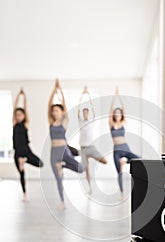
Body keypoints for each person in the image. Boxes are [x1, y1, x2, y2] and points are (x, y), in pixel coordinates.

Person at [48, 79, 83, 208]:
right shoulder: (51, 122)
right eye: (54, 110)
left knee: (81, 168)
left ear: (61, 112)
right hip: (54, 152)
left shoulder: (64, 121)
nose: (55, 112)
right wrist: (54, 91)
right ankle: (62, 201)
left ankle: (63, 166)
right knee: (58, 178)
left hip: (64, 150)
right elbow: (49, 105)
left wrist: (60, 91)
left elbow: (65, 107)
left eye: (57, 110)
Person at [13, 88, 43, 201]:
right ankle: (25, 194)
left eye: (20, 114)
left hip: (26, 150)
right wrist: (17, 97)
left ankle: (24, 160)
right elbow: (14, 108)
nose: (18, 116)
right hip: (17, 151)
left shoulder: (26, 124)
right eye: (16, 115)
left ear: (24, 116)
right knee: (21, 174)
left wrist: (24, 96)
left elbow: (25, 109)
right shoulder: (14, 123)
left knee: (40, 163)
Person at [109, 88, 139, 195]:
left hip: (125, 148)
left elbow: (124, 109)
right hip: (117, 150)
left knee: (138, 158)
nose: (117, 114)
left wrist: (119, 96)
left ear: (121, 115)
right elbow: (110, 110)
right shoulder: (111, 124)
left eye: (119, 113)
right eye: (115, 113)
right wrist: (114, 97)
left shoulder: (123, 122)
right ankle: (121, 192)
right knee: (119, 172)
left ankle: (125, 161)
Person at [78, 87, 107, 194]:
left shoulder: (92, 121)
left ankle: (91, 156)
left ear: (88, 113)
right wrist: (82, 95)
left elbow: (93, 108)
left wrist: (88, 95)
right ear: (82, 113)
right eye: (83, 112)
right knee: (85, 169)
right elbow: (78, 108)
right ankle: (90, 187)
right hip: (83, 148)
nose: (85, 114)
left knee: (105, 161)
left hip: (91, 147)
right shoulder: (80, 121)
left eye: (87, 112)